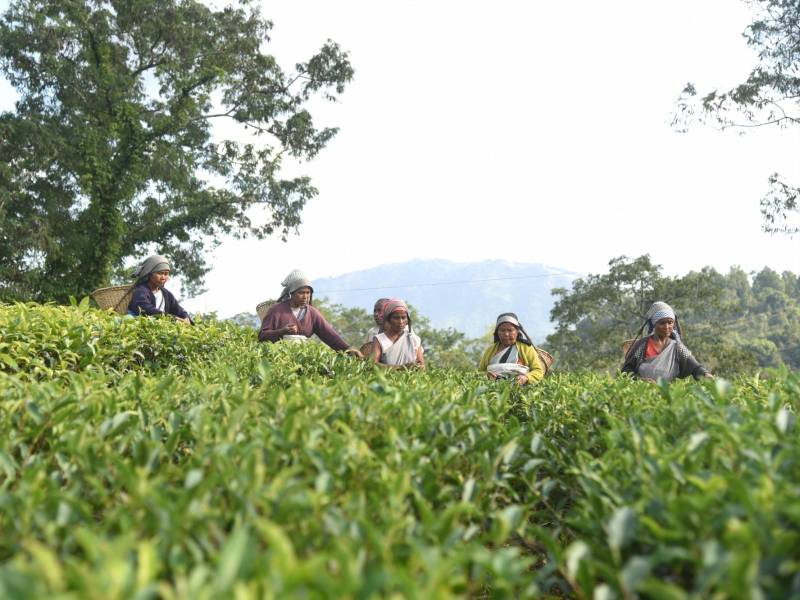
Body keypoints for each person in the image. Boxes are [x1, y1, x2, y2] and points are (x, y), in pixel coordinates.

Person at [259, 270, 362, 356]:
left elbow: (330, 335)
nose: (305, 297)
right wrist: (282, 331)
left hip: (303, 357)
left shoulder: (312, 313)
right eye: (301, 293)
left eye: (308, 293)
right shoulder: (276, 310)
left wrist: (348, 349)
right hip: (279, 357)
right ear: (292, 293)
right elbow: (262, 336)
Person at [621, 301, 713, 382]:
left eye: (670, 322)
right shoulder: (642, 345)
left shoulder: (677, 347)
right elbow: (626, 370)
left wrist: (706, 375)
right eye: (662, 323)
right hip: (643, 392)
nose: (666, 326)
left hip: (667, 393)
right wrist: (640, 380)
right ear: (654, 324)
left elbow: (695, 367)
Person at [478, 313, 544, 385]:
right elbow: (480, 372)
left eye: (510, 330)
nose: (506, 334)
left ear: (517, 331)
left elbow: (538, 371)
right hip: (493, 390)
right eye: (502, 330)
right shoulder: (490, 351)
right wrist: (487, 375)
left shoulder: (526, 348)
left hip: (520, 390)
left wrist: (526, 377)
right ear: (497, 333)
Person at [128, 254, 192, 323]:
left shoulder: (166, 294)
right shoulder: (141, 290)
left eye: (166, 274)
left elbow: (178, 309)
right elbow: (145, 307)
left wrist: (185, 317)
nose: (163, 277)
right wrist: (171, 318)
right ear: (150, 274)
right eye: (160, 273)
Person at [366, 299, 424, 369]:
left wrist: (418, 367)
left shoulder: (413, 339)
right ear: (388, 319)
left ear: (407, 320)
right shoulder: (379, 340)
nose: (400, 321)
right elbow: (373, 365)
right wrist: (401, 368)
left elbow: (421, 365)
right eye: (396, 318)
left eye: (403, 318)